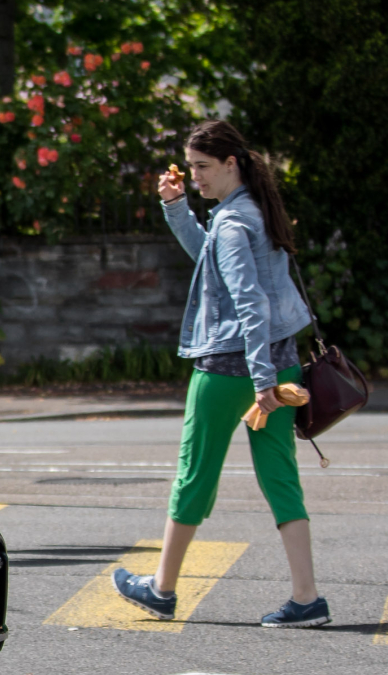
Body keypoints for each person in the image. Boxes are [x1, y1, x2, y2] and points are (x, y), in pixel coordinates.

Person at [111, 120, 326, 627]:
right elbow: (213, 262)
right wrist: (176, 206)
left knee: (194, 475)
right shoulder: (254, 210)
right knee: (281, 478)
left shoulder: (233, 223)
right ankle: (307, 598)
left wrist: (259, 381)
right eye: (191, 167)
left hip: (233, 373)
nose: (195, 176)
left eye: (203, 168)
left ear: (231, 163)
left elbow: (249, 304)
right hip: (282, 365)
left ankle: (162, 589)